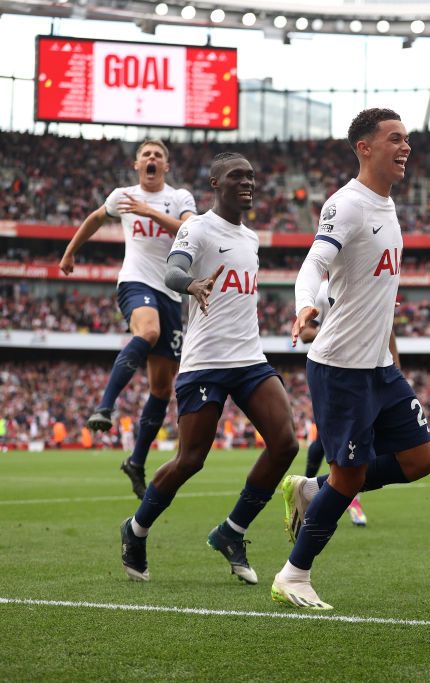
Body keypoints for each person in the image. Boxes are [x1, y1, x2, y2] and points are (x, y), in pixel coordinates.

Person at [271, 108, 430, 611]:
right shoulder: (347, 204)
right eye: (394, 139)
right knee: (350, 476)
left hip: (379, 369)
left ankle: (310, 488)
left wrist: (395, 359)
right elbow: (313, 264)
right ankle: (294, 575)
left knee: (418, 460)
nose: (405, 147)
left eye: (407, 139)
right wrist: (304, 307)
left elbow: (378, 295)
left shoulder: (387, 206)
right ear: (365, 147)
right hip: (340, 365)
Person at [118, 152, 299, 585]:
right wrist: (192, 283)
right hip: (204, 364)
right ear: (215, 183)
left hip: (250, 359)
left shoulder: (252, 239)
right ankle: (136, 529)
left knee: (286, 444)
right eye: (237, 175)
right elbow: (173, 271)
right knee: (190, 460)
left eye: (251, 176)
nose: (247, 182)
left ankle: (231, 532)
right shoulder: (195, 227)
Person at [60, 140, 196, 499]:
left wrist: (149, 213)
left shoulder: (179, 197)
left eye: (158, 156)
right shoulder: (123, 195)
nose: (152, 159)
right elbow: (95, 218)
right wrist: (71, 251)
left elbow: (189, 230)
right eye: (146, 155)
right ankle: (105, 405)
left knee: (162, 389)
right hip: (136, 282)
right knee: (147, 330)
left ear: (166, 166)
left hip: (171, 294)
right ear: (137, 164)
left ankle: (136, 461)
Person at [290, 279, 368, 529]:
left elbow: (386, 331)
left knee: (357, 438)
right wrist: (335, 331)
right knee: (334, 439)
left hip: (366, 368)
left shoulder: (368, 282)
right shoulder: (323, 289)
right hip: (332, 370)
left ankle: (311, 490)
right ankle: (332, 495)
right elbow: (304, 333)